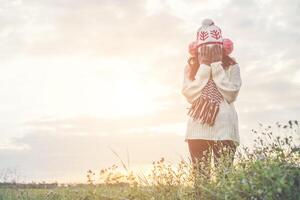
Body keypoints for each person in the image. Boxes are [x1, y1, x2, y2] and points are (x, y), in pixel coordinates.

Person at [181, 19, 242, 182]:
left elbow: (231, 94)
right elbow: (190, 94)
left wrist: (216, 66)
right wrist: (204, 67)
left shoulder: (232, 66)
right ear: (197, 49)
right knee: (201, 182)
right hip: (197, 131)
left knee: (224, 180)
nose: (207, 54)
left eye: (213, 50)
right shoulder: (191, 67)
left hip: (225, 131)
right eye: (204, 51)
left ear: (222, 48)